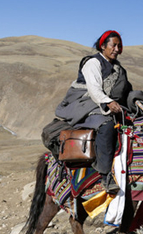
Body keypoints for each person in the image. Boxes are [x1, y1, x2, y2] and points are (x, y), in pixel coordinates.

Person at [54, 30, 133, 194]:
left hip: (102, 103)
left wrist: (137, 101)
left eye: (120, 46)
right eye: (114, 45)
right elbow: (94, 89)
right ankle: (105, 175)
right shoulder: (93, 63)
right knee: (106, 125)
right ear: (103, 46)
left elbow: (127, 91)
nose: (117, 49)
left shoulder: (118, 69)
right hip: (83, 102)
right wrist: (109, 102)